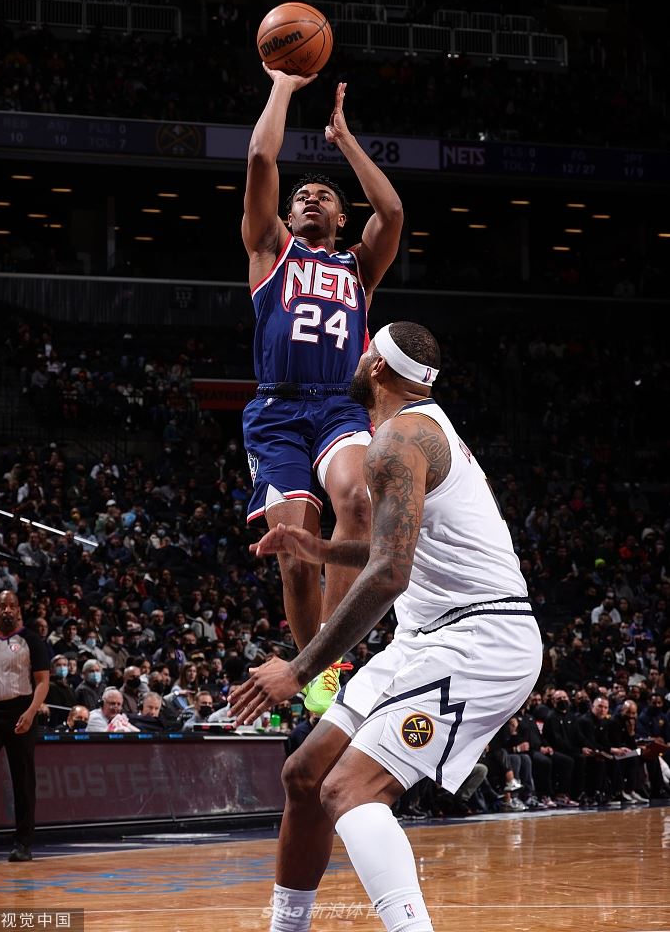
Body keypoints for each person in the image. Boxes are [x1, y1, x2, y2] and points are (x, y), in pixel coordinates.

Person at [230, 321, 542, 932]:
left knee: (348, 790)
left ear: (375, 366)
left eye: (365, 350)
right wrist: (320, 549)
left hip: (479, 639)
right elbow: (394, 548)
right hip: (426, 638)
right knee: (305, 775)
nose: (356, 356)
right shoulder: (417, 431)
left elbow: (390, 575)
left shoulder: (397, 440)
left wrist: (300, 670)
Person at [241, 67, 403, 713]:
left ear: (340, 216)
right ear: (286, 214)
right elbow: (261, 157)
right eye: (301, 195)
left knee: (359, 500)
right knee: (293, 556)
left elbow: (392, 212)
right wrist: (283, 85)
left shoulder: (358, 266)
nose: (311, 199)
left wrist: (344, 139)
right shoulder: (270, 250)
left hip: (339, 403)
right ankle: (315, 668)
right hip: (277, 409)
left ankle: (330, 651)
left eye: (324, 196)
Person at [0, 590, 50, 861]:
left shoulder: (31, 640)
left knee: (23, 780)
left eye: (12, 605)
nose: (7, 610)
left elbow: (43, 681)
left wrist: (31, 712)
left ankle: (23, 844)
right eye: (2, 605)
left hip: (21, 711)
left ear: (19, 610)